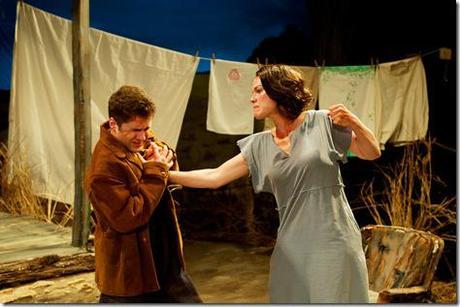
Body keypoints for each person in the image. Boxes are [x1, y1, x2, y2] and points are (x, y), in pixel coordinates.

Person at [169, 65, 381, 303]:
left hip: (334, 241)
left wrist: (355, 123)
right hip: (291, 246)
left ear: (278, 90)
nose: (252, 98)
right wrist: (164, 175)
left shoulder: (321, 123)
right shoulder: (259, 145)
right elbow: (215, 176)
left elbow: (371, 152)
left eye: (259, 90)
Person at [85, 85, 201, 303]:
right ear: (113, 124)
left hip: (163, 264)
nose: (143, 136)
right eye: (136, 130)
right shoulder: (104, 168)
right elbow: (128, 217)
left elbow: (162, 155)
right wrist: (157, 171)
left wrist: (166, 156)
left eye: (146, 128)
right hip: (131, 274)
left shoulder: (138, 137)